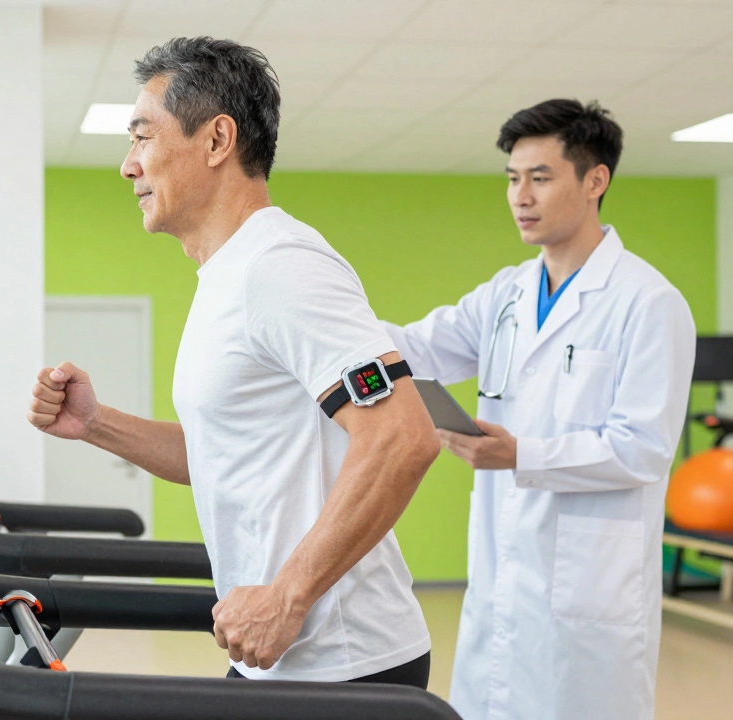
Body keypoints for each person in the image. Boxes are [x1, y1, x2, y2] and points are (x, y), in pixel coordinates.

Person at [28, 37, 441, 685]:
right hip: (276, 655)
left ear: (217, 140)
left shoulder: (280, 265)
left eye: (142, 137)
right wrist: (96, 423)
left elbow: (401, 436)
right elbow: (222, 454)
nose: (127, 166)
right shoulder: (226, 275)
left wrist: (287, 596)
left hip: (344, 663)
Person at [384, 99, 696, 719]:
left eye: (541, 177)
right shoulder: (507, 293)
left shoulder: (648, 303)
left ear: (595, 180)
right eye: (511, 179)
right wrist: (323, 324)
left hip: (590, 596)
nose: (520, 196)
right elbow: (419, 347)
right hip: (504, 578)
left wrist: (520, 454)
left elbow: (642, 448)